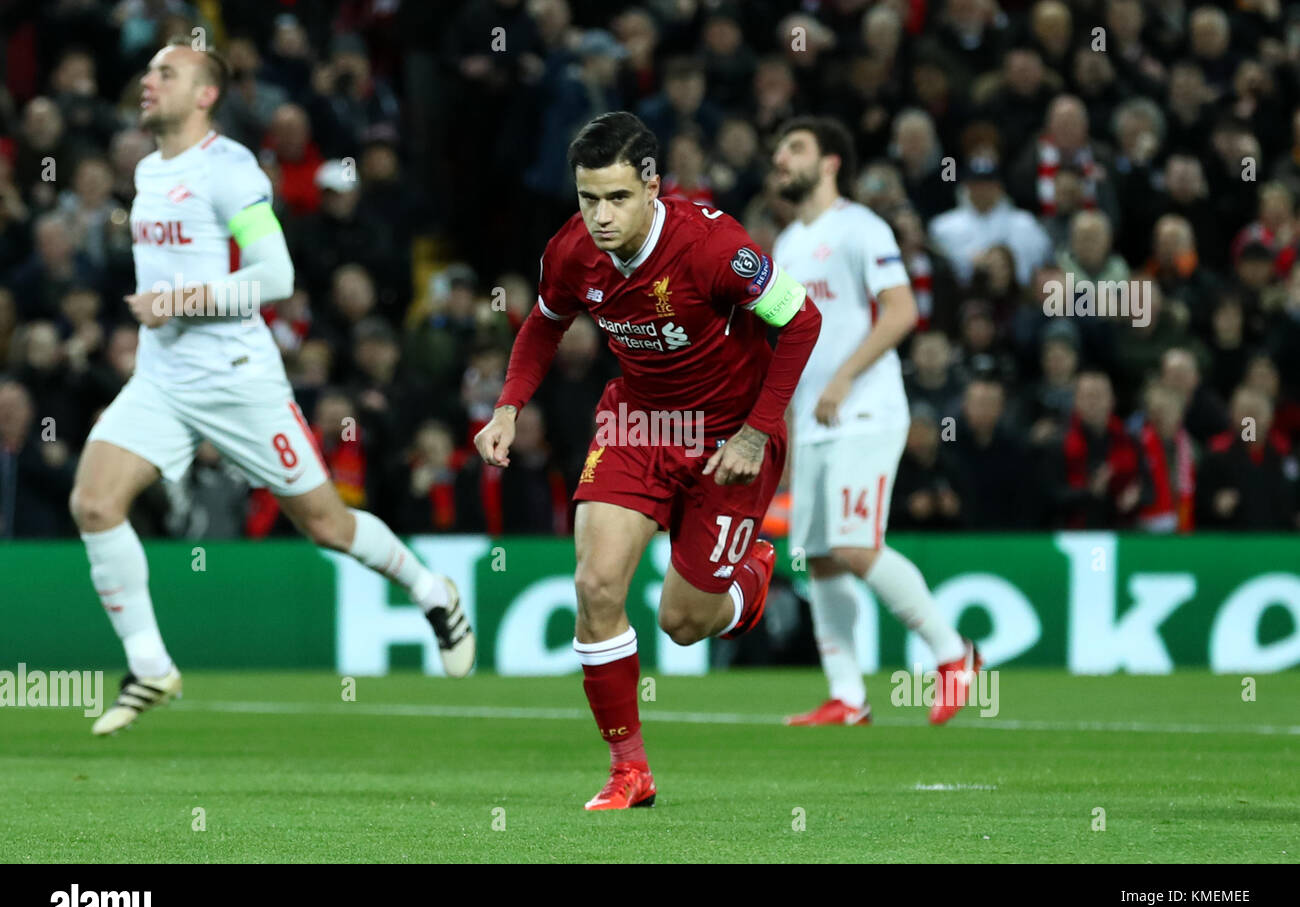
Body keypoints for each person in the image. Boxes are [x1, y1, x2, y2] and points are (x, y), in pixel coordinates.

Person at [68, 42, 475, 737]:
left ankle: (432, 591)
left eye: (167, 72)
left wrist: (184, 302)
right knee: (94, 502)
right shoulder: (143, 170)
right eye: (149, 70)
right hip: (163, 378)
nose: (148, 80)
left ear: (204, 94)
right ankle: (151, 666)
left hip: (237, 378)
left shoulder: (230, 170)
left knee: (326, 524)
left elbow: (276, 275)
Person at [473, 111, 821, 810]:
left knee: (682, 624)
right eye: (587, 198)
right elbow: (543, 323)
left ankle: (752, 579)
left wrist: (756, 432)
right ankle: (629, 770)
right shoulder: (572, 251)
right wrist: (509, 405)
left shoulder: (714, 247)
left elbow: (802, 319)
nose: (600, 216)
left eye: (618, 198)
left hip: (728, 437)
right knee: (597, 587)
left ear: (653, 185)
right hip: (636, 423)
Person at [769, 116, 983, 729]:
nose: (781, 158)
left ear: (831, 161)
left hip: (864, 411)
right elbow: (789, 340)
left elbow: (901, 311)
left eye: (795, 148)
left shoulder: (862, 228)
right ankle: (849, 697)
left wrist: (842, 378)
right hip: (812, 423)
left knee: (856, 545)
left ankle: (953, 655)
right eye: (779, 149)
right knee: (821, 558)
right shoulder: (786, 245)